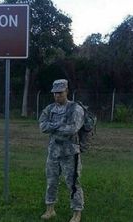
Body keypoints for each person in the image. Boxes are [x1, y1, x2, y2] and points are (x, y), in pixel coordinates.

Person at [39, 79, 84, 222]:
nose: (57, 95)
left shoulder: (75, 109)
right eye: (55, 93)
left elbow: (72, 128)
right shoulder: (49, 109)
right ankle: (50, 209)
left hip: (70, 152)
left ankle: (77, 213)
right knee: (51, 181)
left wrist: (53, 126)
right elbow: (42, 126)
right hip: (53, 151)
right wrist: (59, 125)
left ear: (66, 91)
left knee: (72, 183)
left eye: (60, 92)